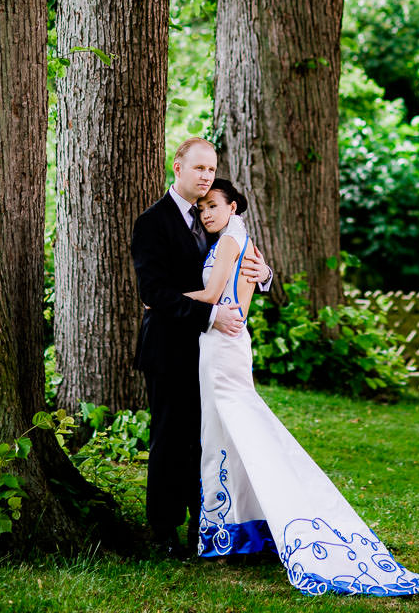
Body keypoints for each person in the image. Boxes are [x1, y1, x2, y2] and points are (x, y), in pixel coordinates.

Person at [185, 178, 419, 597]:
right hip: (223, 343)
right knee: (229, 436)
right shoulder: (232, 238)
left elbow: (215, 294)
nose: (206, 213)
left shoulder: (231, 240)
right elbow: (239, 289)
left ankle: (238, 528)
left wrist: (160, 296)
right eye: (202, 208)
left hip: (222, 345)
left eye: (214, 205)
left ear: (233, 207)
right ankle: (241, 528)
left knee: (227, 434)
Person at [130, 137, 271, 557]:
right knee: (170, 440)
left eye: (211, 170)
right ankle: (163, 530)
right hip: (169, 348)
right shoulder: (152, 222)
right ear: (178, 168)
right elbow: (153, 291)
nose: (206, 176)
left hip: (209, 353)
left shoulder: (214, 219)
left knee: (205, 440)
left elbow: (236, 267)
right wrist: (210, 315)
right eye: (199, 169)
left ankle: (204, 527)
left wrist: (262, 274)